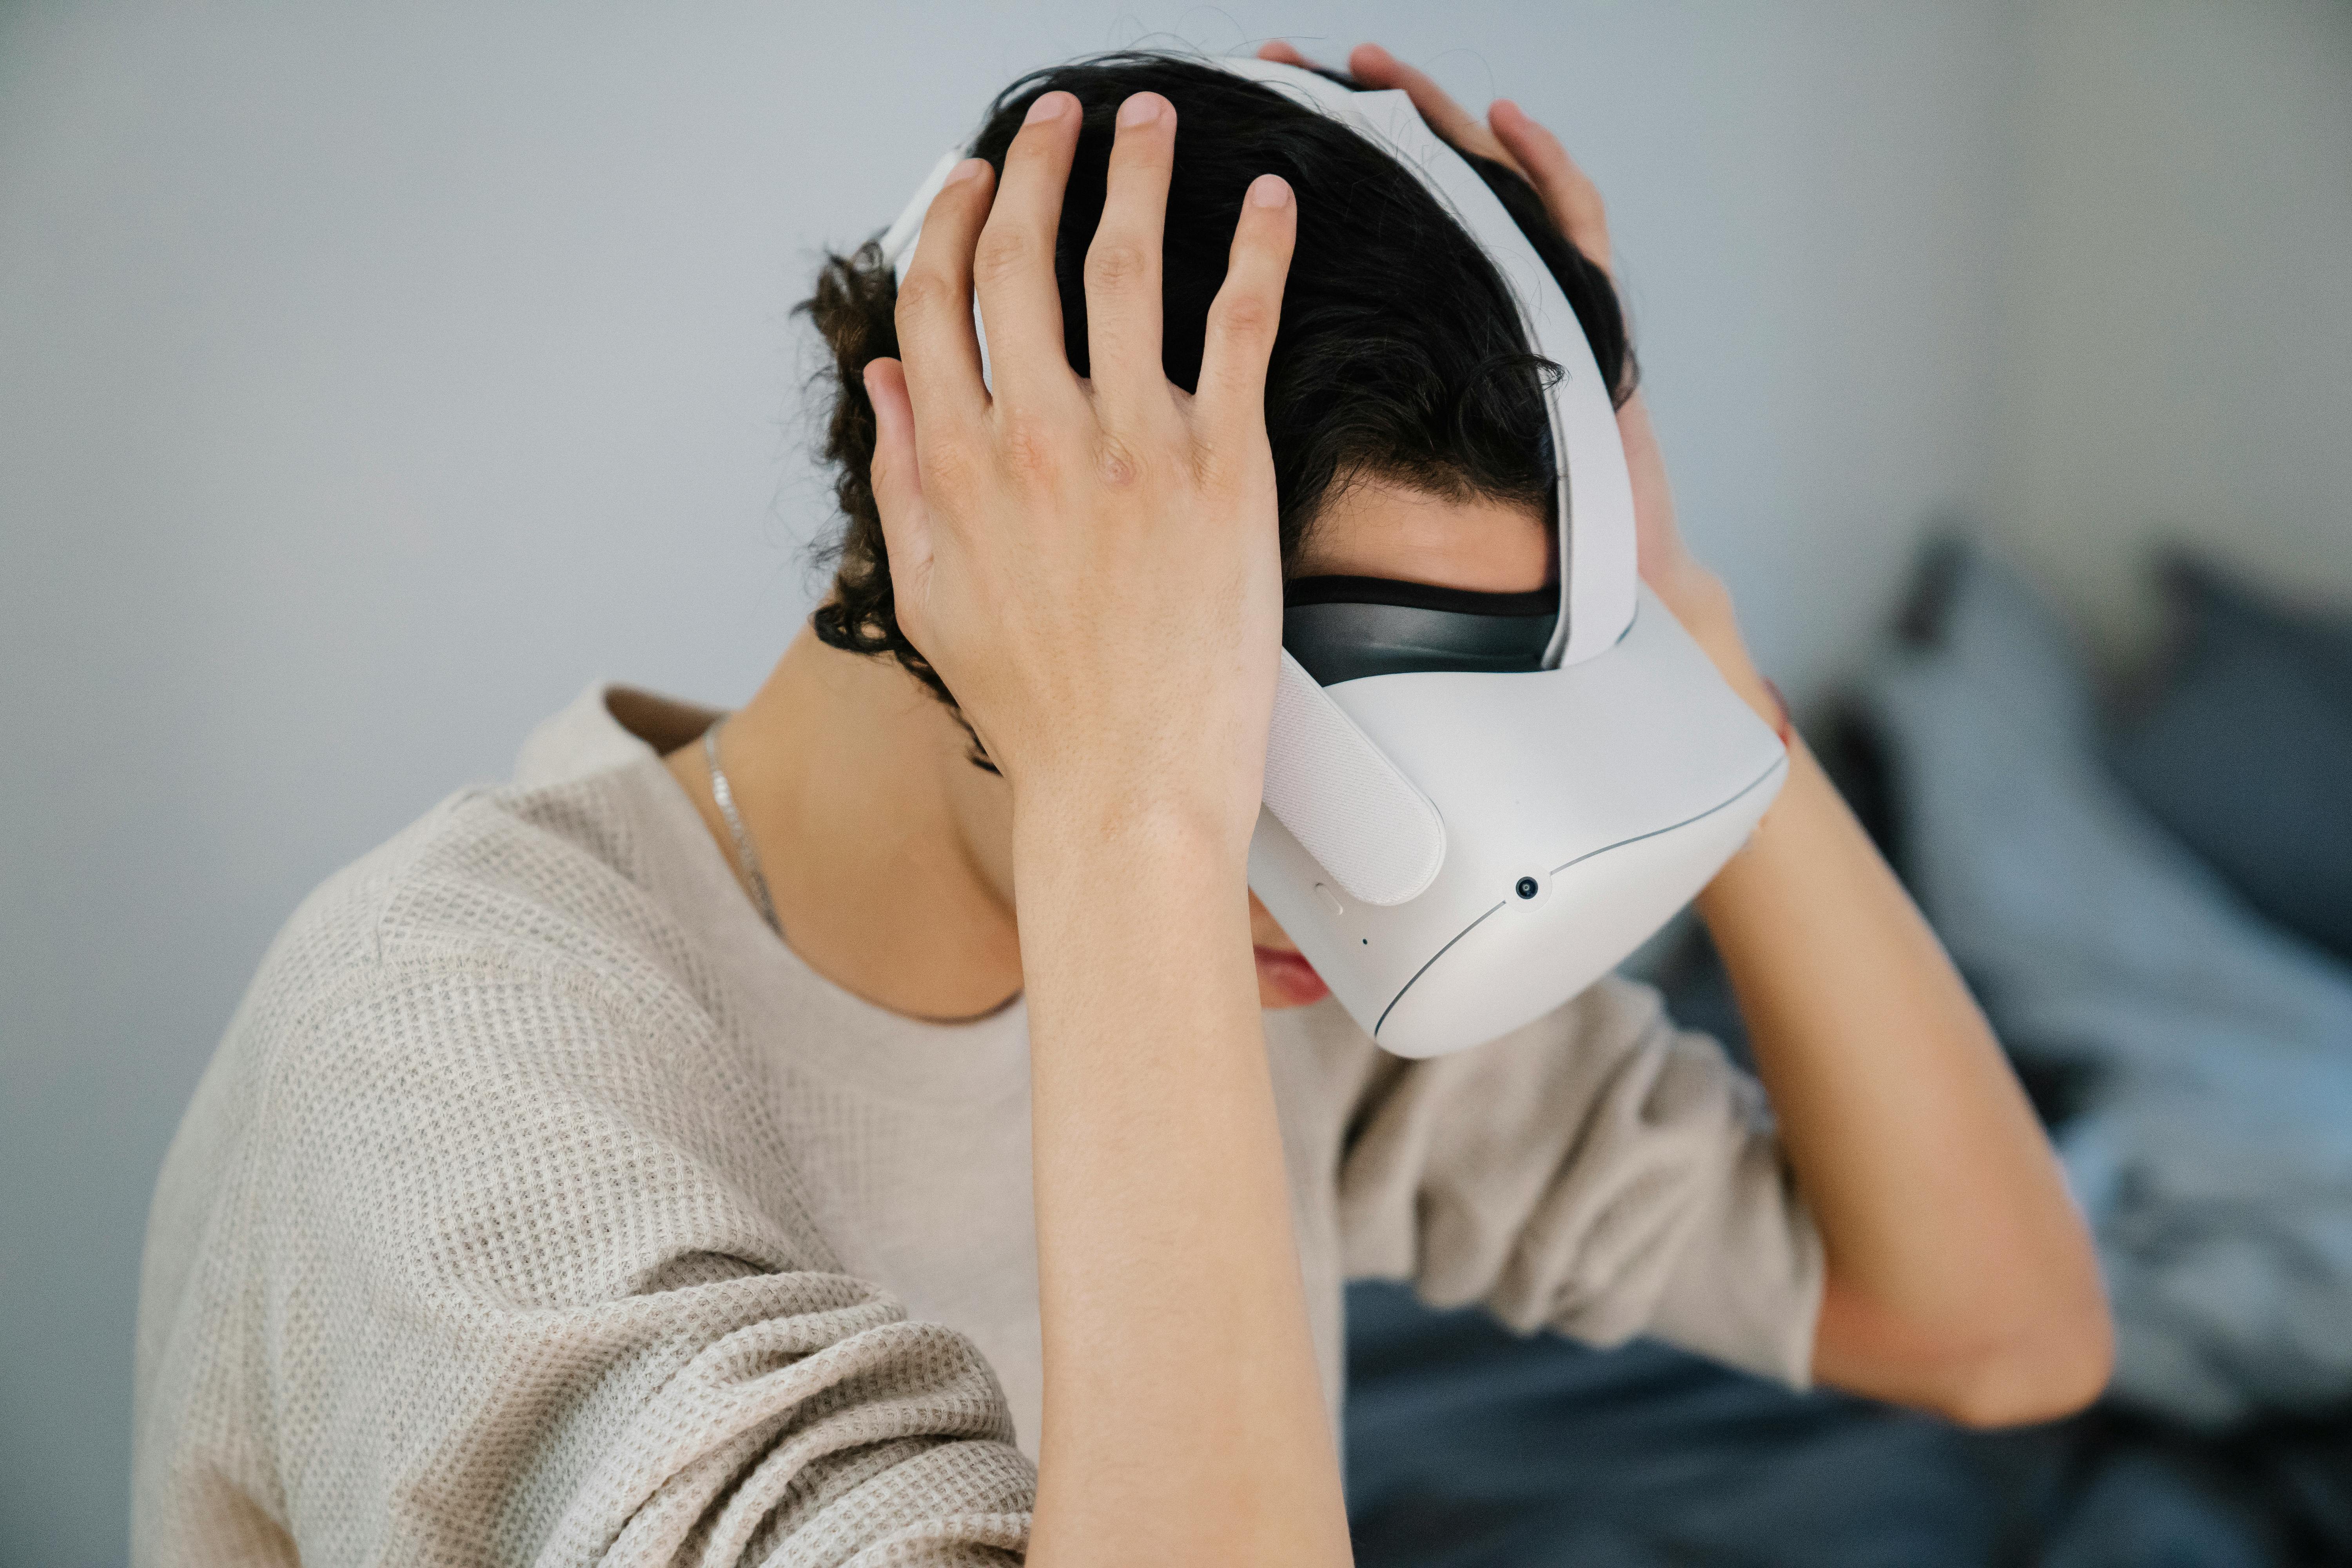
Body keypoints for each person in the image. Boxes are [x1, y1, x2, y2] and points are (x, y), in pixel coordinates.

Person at [131, 41, 2111, 1566]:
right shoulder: (440, 1046)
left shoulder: (1275, 950)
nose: (1379, 851)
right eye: (1317, 727)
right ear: (991, 536)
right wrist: (1137, 812)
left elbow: (2001, 1327)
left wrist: (1667, 630)